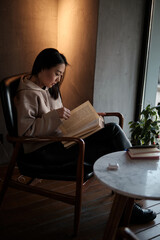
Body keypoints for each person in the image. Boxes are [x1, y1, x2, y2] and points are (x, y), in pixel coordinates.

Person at [14, 48, 156, 224]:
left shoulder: (46, 88)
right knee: (110, 141)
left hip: (62, 142)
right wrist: (55, 116)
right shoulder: (27, 93)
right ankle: (133, 191)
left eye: (61, 75)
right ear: (43, 67)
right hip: (44, 151)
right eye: (57, 74)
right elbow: (26, 133)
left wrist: (86, 118)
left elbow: (58, 119)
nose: (58, 79)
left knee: (110, 131)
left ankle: (128, 201)